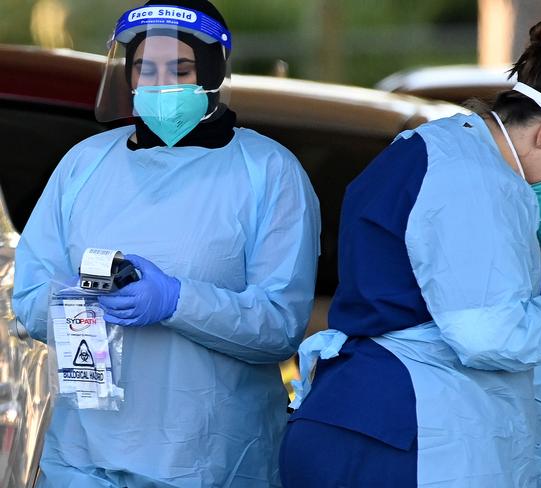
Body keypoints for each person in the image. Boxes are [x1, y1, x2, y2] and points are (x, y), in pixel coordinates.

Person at [279, 21, 541, 488]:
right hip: (396, 436)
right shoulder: (475, 180)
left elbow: (441, 302)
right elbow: (487, 335)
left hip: (369, 428)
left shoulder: (450, 152)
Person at [12, 1, 320, 486]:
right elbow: (27, 302)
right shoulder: (84, 164)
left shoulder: (268, 171)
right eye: (144, 69)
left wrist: (176, 300)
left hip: (212, 466)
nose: (160, 86)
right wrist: (76, 298)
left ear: (213, 71)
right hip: (84, 465)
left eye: (180, 68)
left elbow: (280, 326)